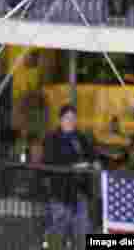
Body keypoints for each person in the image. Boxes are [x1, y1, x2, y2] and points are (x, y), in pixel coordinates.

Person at [42, 104, 97, 250]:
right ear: (60, 120)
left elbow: (91, 155)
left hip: (80, 193)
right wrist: (73, 167)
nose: (71, 121)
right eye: (67, 118)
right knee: (58, 233)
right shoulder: (52, 138)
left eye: (73, 118)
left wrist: (94, 162)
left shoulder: (80, 137)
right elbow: (50, 162)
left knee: (82, 231)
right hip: (61, 193)